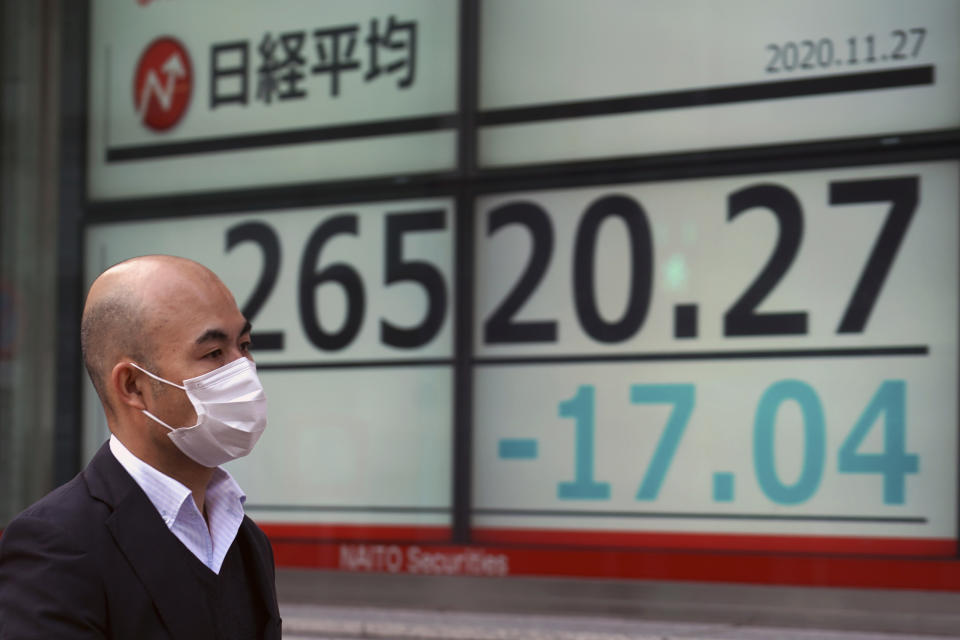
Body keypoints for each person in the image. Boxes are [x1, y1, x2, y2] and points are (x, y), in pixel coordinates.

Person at [0, 255, 281, 639]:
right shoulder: (56, 546)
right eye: (214, 353)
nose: (243, 369)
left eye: (244, 345)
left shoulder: (248, 542)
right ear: (133, 386)